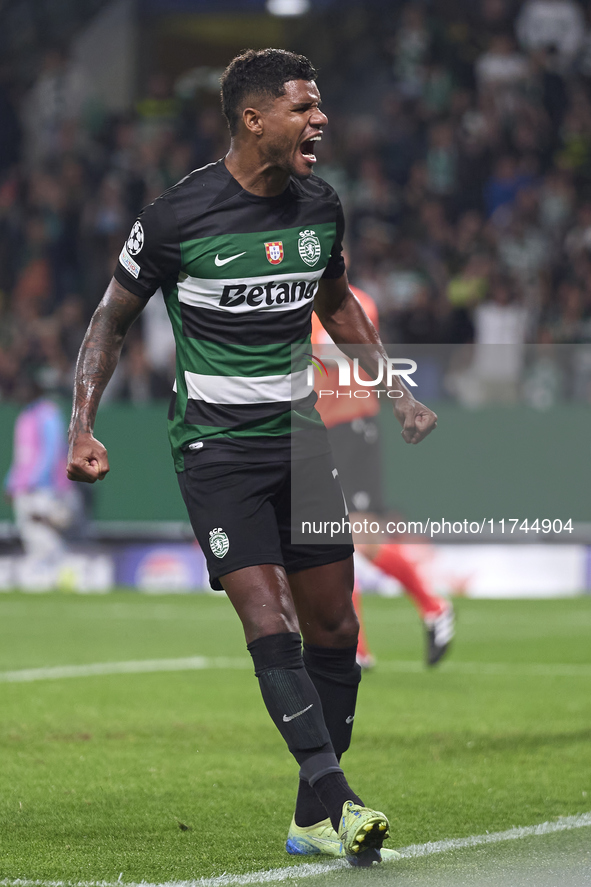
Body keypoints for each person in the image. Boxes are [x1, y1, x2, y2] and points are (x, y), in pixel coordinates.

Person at [66, 49, 437, 865]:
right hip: (216, 449)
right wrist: (81, 423)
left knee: (334, 625)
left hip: (301, 441)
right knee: (265, 614)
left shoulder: (320, 207)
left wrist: (392, 391)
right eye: (303, 108)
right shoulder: (175, 217)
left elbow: (336, 304)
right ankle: (339, 802)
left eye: (319, 106)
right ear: (253, 119)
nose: (320, 120)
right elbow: (109, 320)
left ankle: (309, 817)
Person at [311, 287, 454, 668]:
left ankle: (434, 606)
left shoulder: (352, 301)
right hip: (321, 430)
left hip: (352, 426)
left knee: (360, 538)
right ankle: (356, 648)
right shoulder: (297, 298)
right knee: (332, 540)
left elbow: (341, 358)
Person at [4, 375, 80, 586]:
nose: (20, 393)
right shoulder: (25, 416)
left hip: (44, 488)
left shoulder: (48, 414)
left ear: (35, 390)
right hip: (25, 488)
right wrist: (11, 483)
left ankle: (65, 571)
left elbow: (52, 450)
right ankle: (46, 578)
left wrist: (34, 481)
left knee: (43, 532)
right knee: (31, 535)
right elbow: (21, 456)